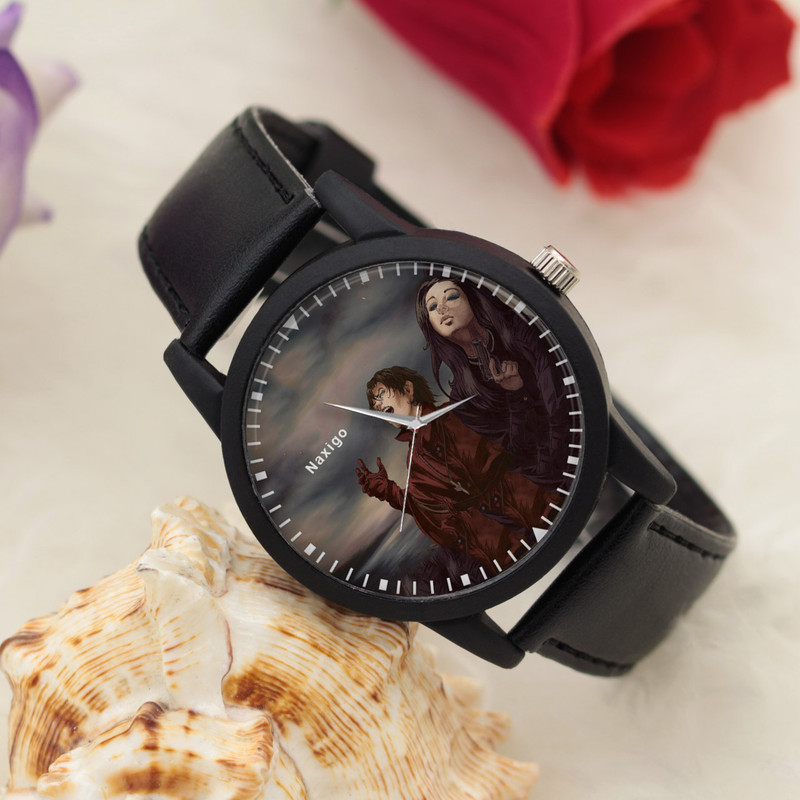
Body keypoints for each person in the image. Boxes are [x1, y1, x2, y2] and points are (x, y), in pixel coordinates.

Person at [355, 366, 561, 573]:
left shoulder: (458, 411)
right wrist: (387, 490)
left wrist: (515, 394)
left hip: (537, 500)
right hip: (503, 544)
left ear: (408, 389)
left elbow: (512, 433)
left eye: (381, 394)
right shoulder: (416, 460)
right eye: (374, 406)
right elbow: (425, 502)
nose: (378, 405)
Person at [415, 277, 570, 487]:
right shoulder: (462, 399)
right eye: (432, 307)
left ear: (471, 299)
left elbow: (560, 404)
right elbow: (514, 453)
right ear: (430, 324)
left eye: (451, 297)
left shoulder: (521, 333)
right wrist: (516, 395)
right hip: (549, 479)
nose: (442, 308)